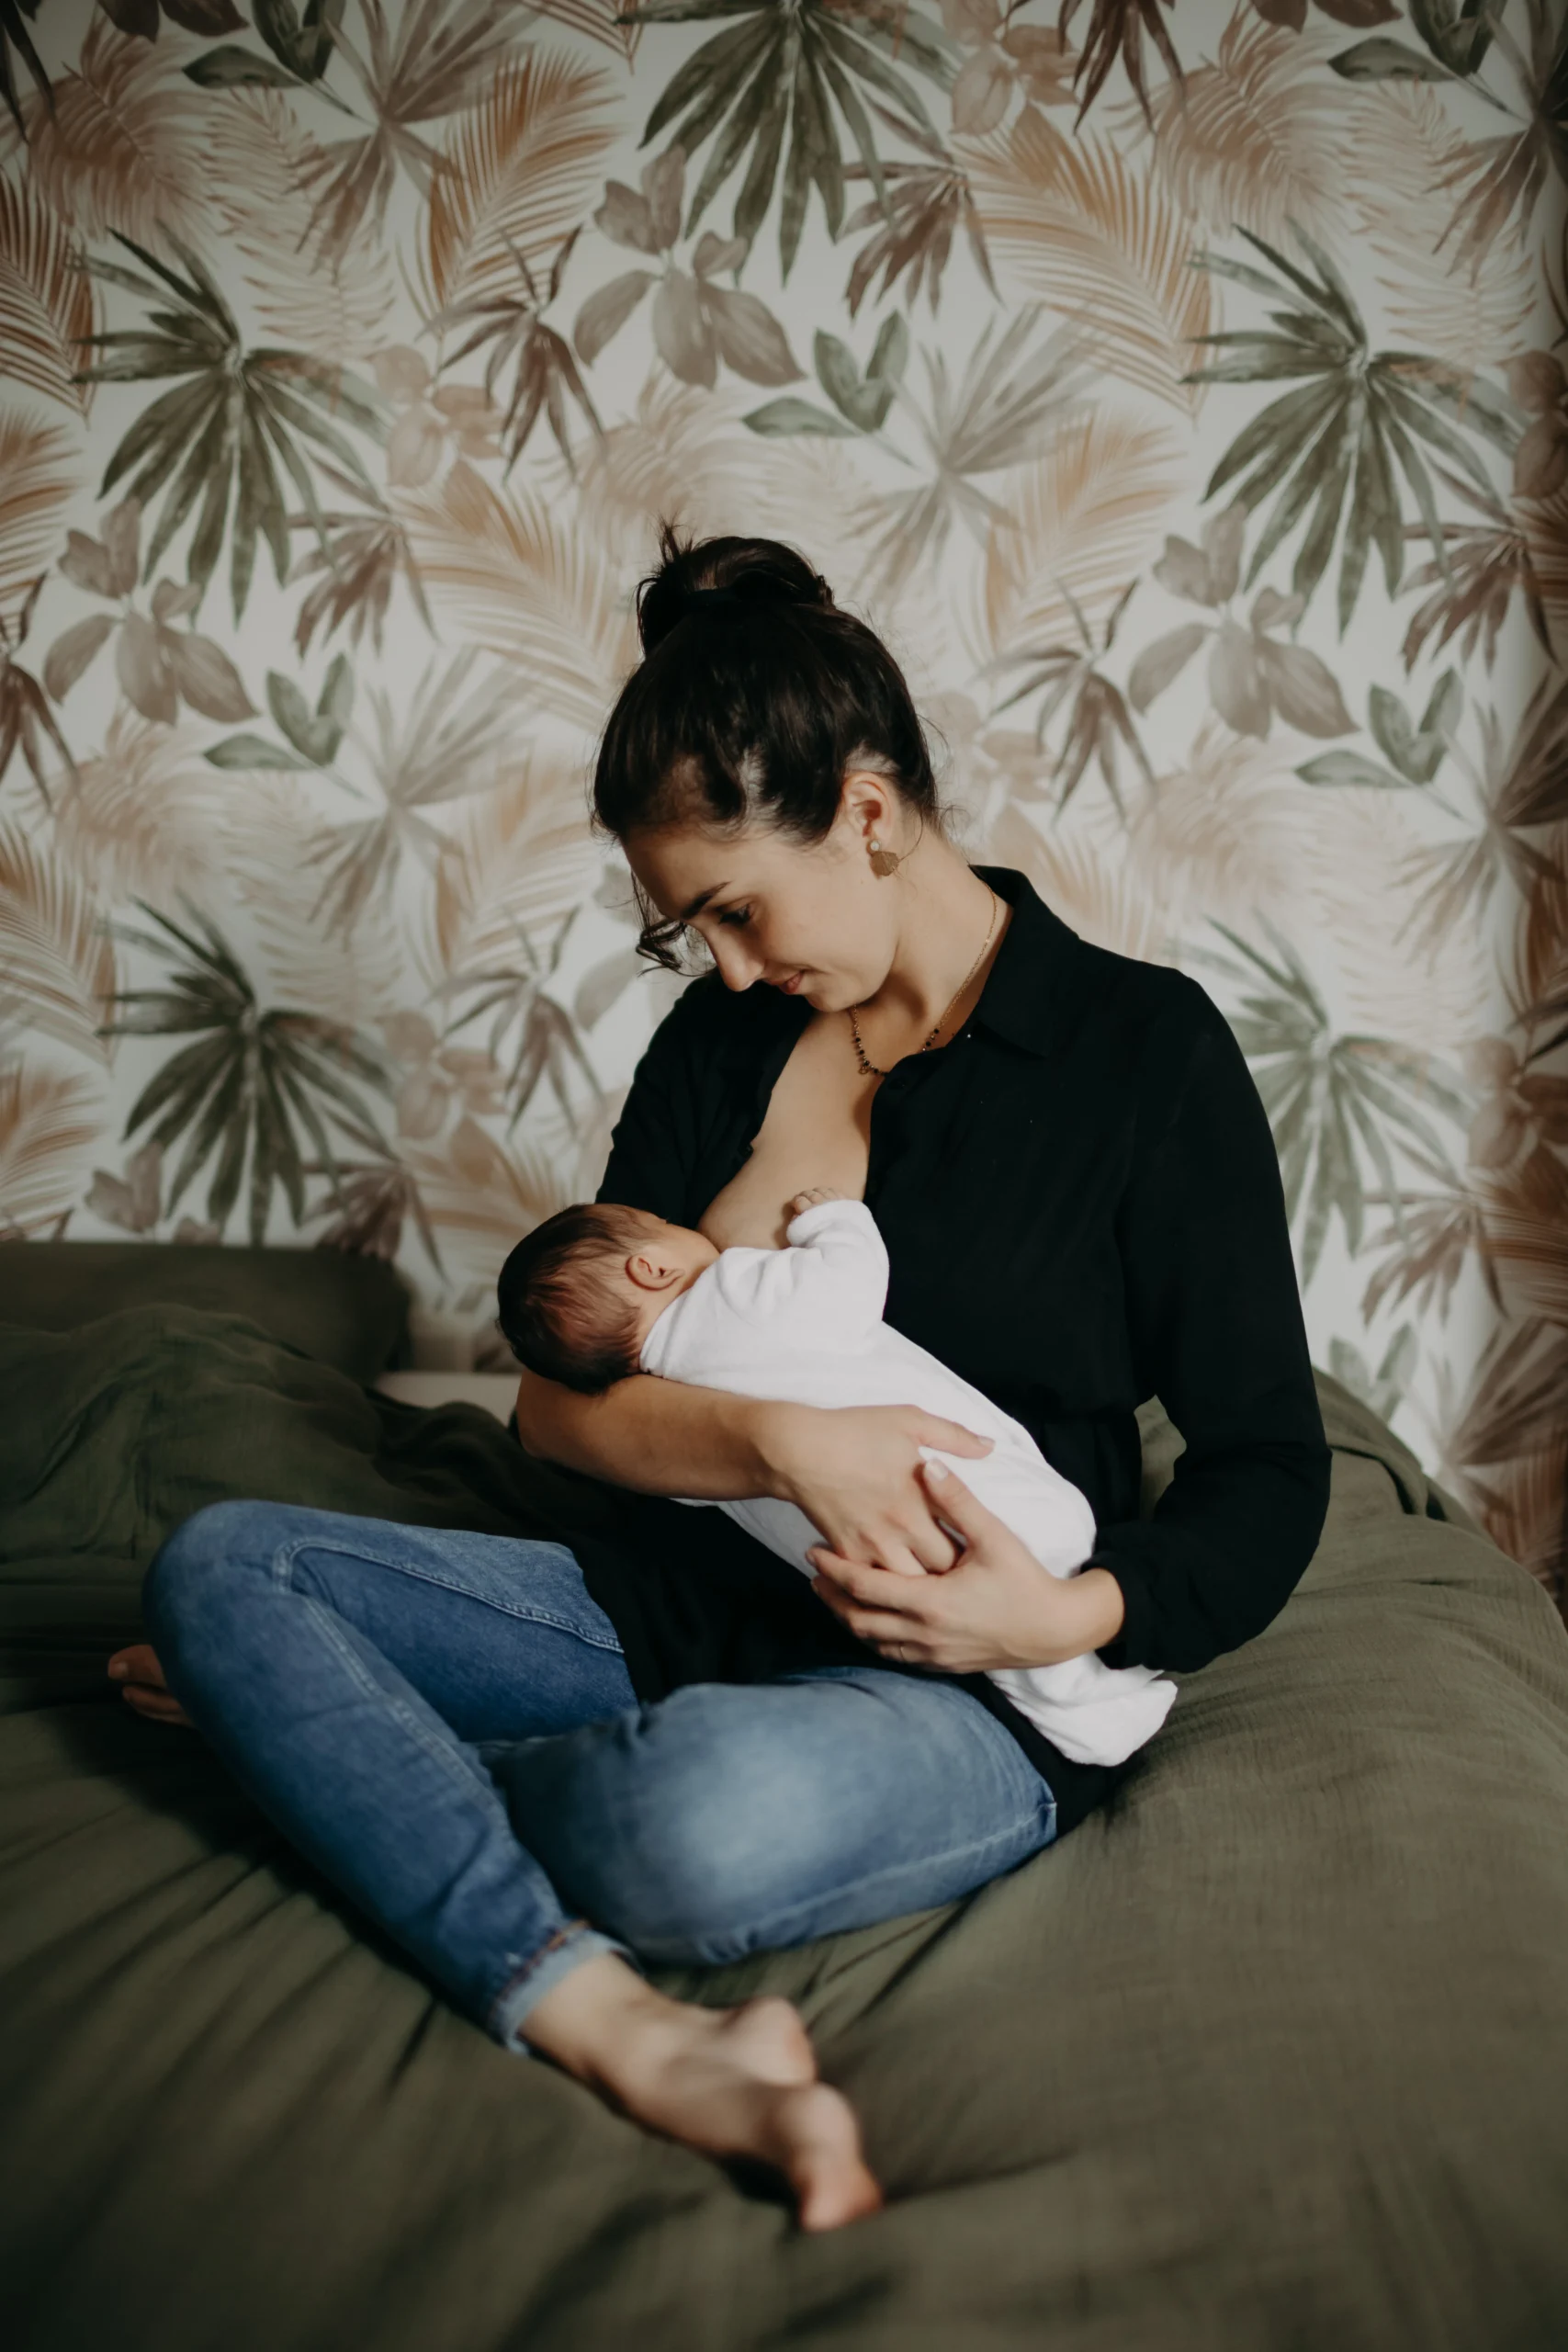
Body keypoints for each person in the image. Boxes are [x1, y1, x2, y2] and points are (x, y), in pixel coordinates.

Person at [108, 525, 1332, 2234]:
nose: (733, 968)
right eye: (693, 934)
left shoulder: (1142, 1056)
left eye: (734, 909)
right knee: (224, 1566)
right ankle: (621, 2029)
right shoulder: (722, 1047)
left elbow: (1271, 1468)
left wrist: (1051, 1624)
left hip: (951, 1678)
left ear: (872, 811)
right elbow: (553, 1410)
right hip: (651, 1606)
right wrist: (777, 1439)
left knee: (675, 1831)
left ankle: (335, 1741)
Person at [494, 1184, 1174, 1767]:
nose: (690, 1231)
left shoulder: (668, 1397)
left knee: (969, 1605)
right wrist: (835, 1220)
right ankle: (1090, 1694)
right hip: (952, 1480)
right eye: (672, 1228)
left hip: (869, 1566)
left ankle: (1075, 1707)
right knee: (1047, 1535)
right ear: (650, 1267)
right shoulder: (730, 1292)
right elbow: (848, 1283)